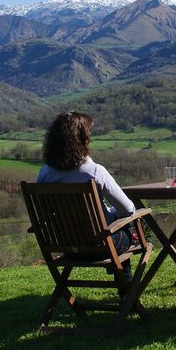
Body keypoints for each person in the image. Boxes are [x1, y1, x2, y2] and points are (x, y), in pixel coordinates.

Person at [36, 111, 136, 282]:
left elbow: (42, 214)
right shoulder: (94, 172)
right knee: (123, 230)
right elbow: (128, 210)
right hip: (102, 246)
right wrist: (113, 214)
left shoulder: (45, 173)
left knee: (114, 230)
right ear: (82, 140)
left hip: (66, 246)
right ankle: (126, 294)